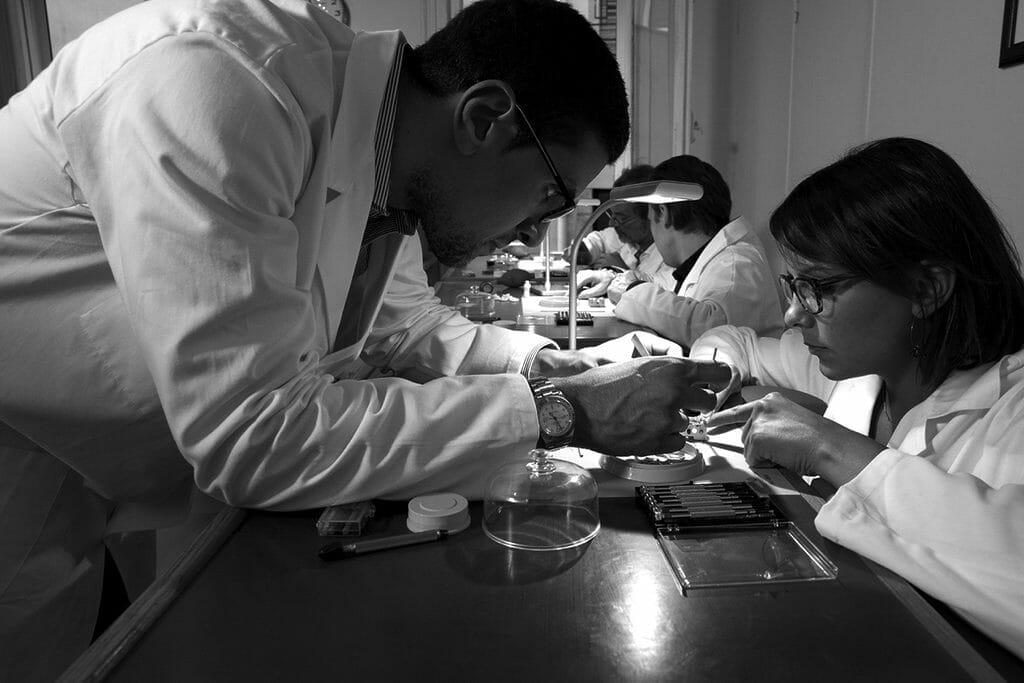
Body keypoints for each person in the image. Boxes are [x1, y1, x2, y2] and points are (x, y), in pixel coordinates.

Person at [0, 0, 729, 678]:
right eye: (549, 195)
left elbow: (407, 324)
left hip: (100, 455)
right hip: (18, 441)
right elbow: (254, 433)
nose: (538, 231)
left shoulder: (392, 175)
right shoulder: (221, 90)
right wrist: (563, 412)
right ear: (484, 118)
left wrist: (549, 363)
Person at [695, 137, 1024, 658]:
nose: (793, 315)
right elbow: (733, 342)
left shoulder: (1012, 409)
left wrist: (830, 445)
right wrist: (716, 378)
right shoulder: (854, 368)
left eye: (819, 287)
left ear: (926, 287)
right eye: (794, 285)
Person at [610, 154, 784, 348]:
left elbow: (710, 328)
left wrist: (631, 290)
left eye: (651, 220)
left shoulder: (737, 264)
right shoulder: (703, 260)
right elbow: (663, 286)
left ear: (663, 213)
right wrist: (621, 280)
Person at [575, 164, 677, 297]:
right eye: (613, 216)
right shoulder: (630, 239)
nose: (612, 223)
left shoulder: (669, 258)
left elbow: (656, 292)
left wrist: (618, 273)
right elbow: (602, 238)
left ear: (651, 215)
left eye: (622, 218)